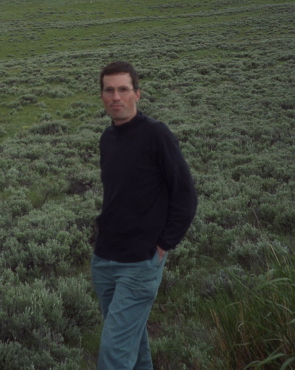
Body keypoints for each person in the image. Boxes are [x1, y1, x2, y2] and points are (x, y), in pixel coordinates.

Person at [92, 61, 197, 370]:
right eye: (109, 90)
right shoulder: (107, 139)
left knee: (113, 354)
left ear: (137, 94)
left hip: (140, 262)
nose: (116, 97)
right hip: (104, 260)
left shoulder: (156, 135)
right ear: (101, 96)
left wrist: (164, 245)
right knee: (131, 344)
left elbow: (185, 195)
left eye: (123, 89)